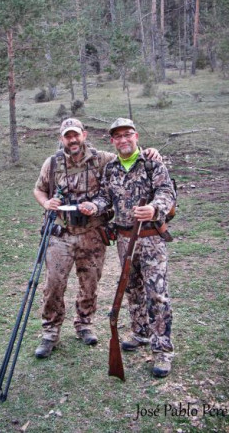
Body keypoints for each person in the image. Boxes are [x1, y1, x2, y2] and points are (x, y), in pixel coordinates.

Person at [33, 118, 162, 358]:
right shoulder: (51, 164)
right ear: (62, 138)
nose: (72, 139)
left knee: (90, 284)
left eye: (76, 134)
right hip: (60, 234)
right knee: (53, 286)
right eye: (67, 136)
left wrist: (151, 152)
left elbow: (130, 159)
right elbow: (38, 189)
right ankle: (50, 332)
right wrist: (46, 202)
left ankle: (84, 324)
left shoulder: (103, 159)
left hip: (93, 234)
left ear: (84, 134)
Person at [79, 118, 176, 377]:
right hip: (124, 240)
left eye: (127, 134)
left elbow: (167, 192)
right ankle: (140, 333)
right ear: (112, 141)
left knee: (157, 294)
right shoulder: (111, 168)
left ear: (136, 136)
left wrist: (154, 208)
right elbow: (104, 198)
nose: (123, 140)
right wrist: (94, 207)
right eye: (117, 136)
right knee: (132, 288)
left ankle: (162, 351)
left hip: (152, 238)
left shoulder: (152, 162)